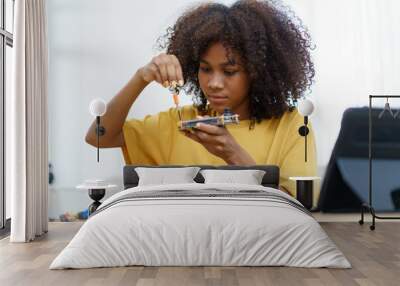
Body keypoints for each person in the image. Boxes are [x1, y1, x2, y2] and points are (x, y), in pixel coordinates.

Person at [85, 0, 317, 196]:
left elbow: (296, 206)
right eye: (205, 69)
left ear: (258, 71)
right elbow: (98, 137)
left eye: (229, 72)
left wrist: (233, 154)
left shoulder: (291, 126)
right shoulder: (179, 122)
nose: (214, 83)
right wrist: (140, 78)